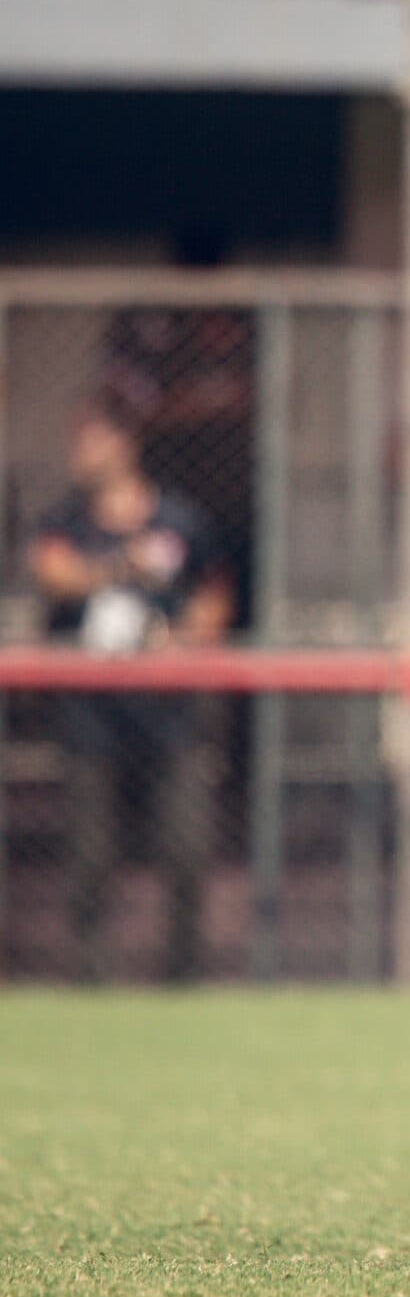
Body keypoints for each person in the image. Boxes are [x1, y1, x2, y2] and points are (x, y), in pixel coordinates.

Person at [28, 400, 234, 984]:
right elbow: (53, 572)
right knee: (90, 857)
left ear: (123, 443)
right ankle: (90, 979)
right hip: (92, 712)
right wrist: (123, 566)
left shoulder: (180, 520)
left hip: (169, 710)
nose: (81, 455)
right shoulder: (68, 521)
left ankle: (182, 978)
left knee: (186, 850)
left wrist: (184, 636)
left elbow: (215, 597)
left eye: (91, 440)